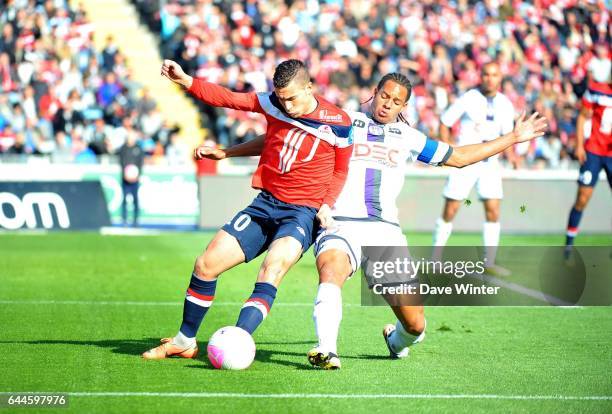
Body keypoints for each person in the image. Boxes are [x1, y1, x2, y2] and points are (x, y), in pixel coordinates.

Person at [200, 72, 547, 369]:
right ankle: (327, 349)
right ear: (374, 93)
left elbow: (457, 157)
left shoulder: (410, 138)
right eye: (384, 95)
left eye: (396, 101)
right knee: (331, 269)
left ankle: (396, 340)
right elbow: (280, 136)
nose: (387, 104)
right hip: (340, 223)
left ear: (403, 107)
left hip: (385, 232)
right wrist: (229, 152)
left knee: (414, 325)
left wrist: (513, 138)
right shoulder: (343, 120)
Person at [142, 59, 353, 359]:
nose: (286, 105)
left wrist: (326, 205)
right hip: (266, 204)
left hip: (302, 213)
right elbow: (230, 99)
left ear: (309, 87)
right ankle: (185, 340)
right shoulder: (273, 103)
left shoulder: (338, 121)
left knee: (272, 269)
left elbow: (341, 171)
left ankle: (237, 340)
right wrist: (186, 81)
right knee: (206, 264)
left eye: (292, 98)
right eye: (281, 98)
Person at [432, 62, 516, 276]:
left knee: (493, 210)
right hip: (465, 162)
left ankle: (490, 263)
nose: (490, 78)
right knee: (451, 210)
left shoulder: (506, 104)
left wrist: (512, 156)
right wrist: (448, 150)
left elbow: (508, 136)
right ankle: (435, 259)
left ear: (500, 78)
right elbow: (445, 121)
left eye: (494, 74)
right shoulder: (470, 97)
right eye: (486, 74)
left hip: (490, 165)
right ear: (481, 76)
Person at [564, 79, 611, 258]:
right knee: (583, 198)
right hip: (594, 151)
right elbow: (583, 115)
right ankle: (568, 244)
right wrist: (579, 145)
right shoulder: (597, 90)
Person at [118, 130, 145, 227]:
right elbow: (121, 162)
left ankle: (136, 219)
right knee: (124, 198)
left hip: (135, 179)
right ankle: (124, 219)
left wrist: (137, 175)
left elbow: (140, 163)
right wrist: (125, 174)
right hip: (125, 178)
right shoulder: (123, 149)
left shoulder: (138, 149)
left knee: (135, 198)